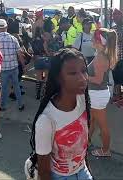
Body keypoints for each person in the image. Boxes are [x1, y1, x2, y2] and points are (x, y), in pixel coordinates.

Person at [28, 48, 92, 180]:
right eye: (72, 73)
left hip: (82, 171)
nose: (82, 78)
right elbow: (44, 172)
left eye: (84, 71)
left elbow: (83, 147)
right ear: (58, 78)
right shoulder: (46, 121)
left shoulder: (82, 99)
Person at [88, 28, 118, 157]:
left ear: (99, 41)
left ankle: (105, 150)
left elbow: (98, 80)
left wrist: (83, 76)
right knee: (92, 121)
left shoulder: (100, 57)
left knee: (102, 125)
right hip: (97, 94)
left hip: (97, 94)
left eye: (93, 38)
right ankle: (87, 142)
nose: (91, 40)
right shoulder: (101, 55)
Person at [0, 19, 25, 112]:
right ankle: (20, 105)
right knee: (16, 86)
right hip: (14, 67)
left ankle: (2, 106)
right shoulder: (13, 38)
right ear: (6, 27)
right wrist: (23, 65)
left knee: (4, 88)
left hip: (3, 68)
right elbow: (19, 54)